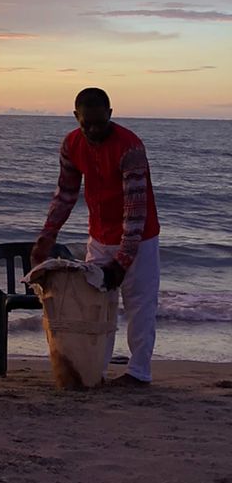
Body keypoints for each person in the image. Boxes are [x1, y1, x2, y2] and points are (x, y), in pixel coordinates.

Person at [30, 87, 160, 386]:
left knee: (140, 304)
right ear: (76, 116)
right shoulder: (71, 144)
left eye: (99, 123)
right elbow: (65, 193)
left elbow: (135, 210)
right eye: (85, 123)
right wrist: (46, 238)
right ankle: (94, 371)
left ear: (110, 115)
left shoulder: (130, 147)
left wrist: (122, 261)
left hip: (140, 238)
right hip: (99, 236)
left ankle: (139, 372)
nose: (92, 129)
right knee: (95, 305)